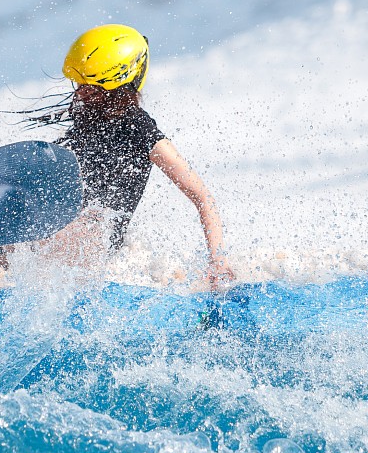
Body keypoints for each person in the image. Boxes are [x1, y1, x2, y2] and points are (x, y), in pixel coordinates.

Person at [49, 23, 235, 290]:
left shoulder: (139, 129)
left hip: (98, 239)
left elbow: (203, 197)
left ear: (118, 86)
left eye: (90, 88)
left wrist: (217, 260)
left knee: (82, 227)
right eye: (79, 84)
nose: (79, 93)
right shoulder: (83, 120)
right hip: (61, 233)